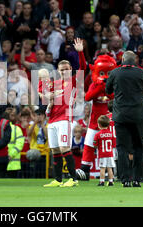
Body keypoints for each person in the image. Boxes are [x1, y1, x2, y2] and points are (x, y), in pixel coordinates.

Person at [43, 38, 86, 188]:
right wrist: (47, 97)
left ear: (70, 70)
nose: (64, 71)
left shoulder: (74, 80)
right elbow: (45, 97)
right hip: (52, 120)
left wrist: (80, 53)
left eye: (67, 69)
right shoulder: (54, 84)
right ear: (58, 71)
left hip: (64, 119)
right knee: (54, 150)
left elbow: (83, 67)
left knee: (64, 148)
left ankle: (73, 179)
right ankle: (58, 179)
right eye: (62, 70)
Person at [105, 51, 143, 187]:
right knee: (138, 146)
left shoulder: (114, 73)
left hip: (120, 115)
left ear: (123, 59)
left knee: (122, 147)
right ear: (135, 60)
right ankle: (137, 179)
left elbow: (108, 91)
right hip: (137, 115)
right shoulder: (141, 73)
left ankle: (125, 179)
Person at [94, 115, 116, 187]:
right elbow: (113, 144)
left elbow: (95, 145)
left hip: (102, 154)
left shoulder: (97, 134)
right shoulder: (111, 134)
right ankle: (111, 182)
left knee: (102, 168)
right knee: (110, 168)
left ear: (99, 125)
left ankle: (102, 181)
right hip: (110, 153)